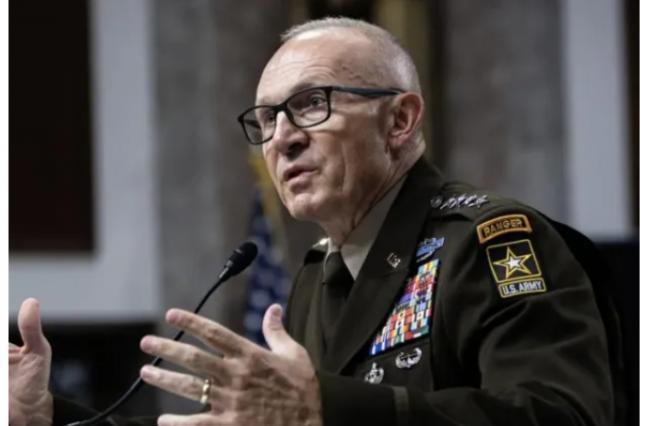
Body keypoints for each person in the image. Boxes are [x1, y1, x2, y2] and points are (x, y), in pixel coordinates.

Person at [10, 17, 624, 426]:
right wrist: (48, 415)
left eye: (310, 104)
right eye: (267, 119)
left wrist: (325, 409)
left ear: (400, 120)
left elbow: (562, 416)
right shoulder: (318, 273)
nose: (281, 139)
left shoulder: (492, 243)